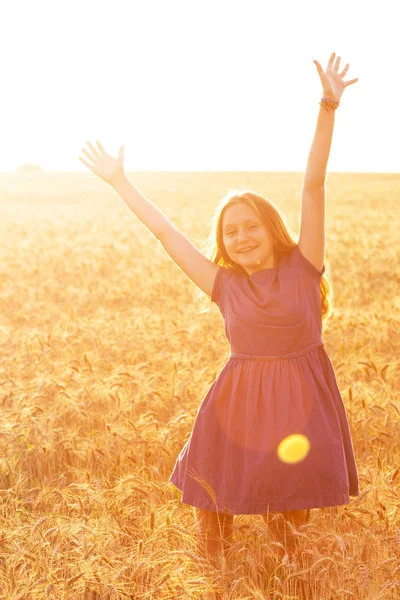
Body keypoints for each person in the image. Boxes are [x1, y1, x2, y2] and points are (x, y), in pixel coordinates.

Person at [79, 52, 360, 568]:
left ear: (271, 228)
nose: (241, 237)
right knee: (214, 503)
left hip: (300, 401)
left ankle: (292, 582)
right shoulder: (223, 285)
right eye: (230, 232)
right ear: (223, 243)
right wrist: (120, 182)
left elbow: (313, 184)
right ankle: (220, 580)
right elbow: (166, 233)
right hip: (238, 402)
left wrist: (328, 106)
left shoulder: (304, 266)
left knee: (290, 521)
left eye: (250, 226)